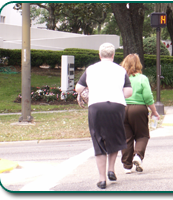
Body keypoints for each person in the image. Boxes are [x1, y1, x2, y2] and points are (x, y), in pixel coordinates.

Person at [75, 43, 133, 189]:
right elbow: (128, 92)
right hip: (116, 106)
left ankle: (102, 179)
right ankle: (111, 169)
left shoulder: (91, 69)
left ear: (100, 55)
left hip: (96, 106)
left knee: (98, 140)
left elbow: (78, 88)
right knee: (114, 136)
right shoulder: (121, 70)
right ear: (113, 56)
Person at [119, 54, 160, 174]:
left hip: (122, 108)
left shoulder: (121, 78)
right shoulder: (142, 78)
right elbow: (148, 97)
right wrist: (154, 111)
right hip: (138, 109)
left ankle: (127, 165)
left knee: (127, 138)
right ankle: (138, 155)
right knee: (142, 135)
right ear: (138, 64)